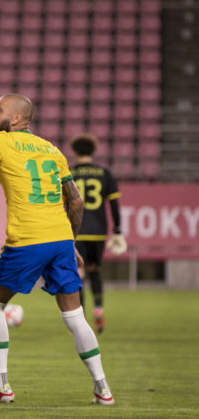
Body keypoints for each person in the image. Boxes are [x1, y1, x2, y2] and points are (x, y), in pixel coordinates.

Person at [0, 93, 114, 405]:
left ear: (19, 118)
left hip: (27, 240)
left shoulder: (2, 142)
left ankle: (1, 386)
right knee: (75, 315)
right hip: (60, 240)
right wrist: (70, 241)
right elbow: (75, 201)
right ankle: (103, 388)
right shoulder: (53, 150)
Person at [70, 133, 125, 334]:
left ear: (75, 151)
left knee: (79, 273)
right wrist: (117, 230)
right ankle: (99, 308)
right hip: (99, 232)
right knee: (95, 270)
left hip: (77, 231)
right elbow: (114, 204)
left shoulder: (70, 173)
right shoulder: (104, 173)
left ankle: (80, 319)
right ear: (93, 151)